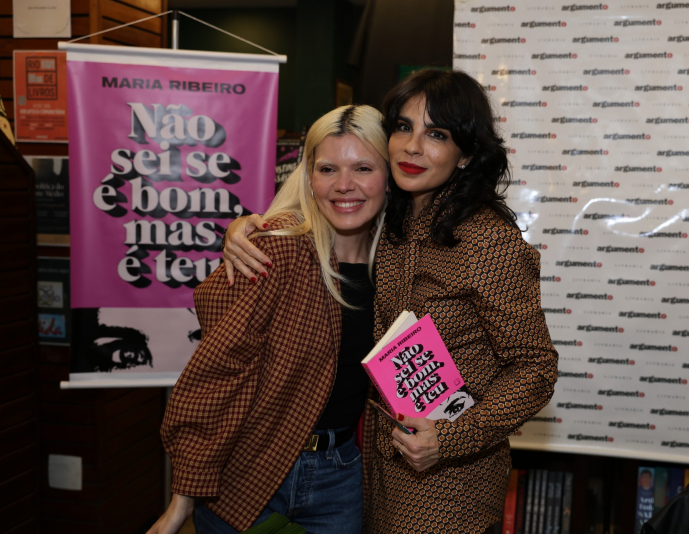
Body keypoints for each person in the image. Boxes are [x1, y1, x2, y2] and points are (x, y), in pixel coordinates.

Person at [222, 69, 559, 534]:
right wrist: (245, 228)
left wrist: (451, 437)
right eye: (403, 127)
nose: (413, 146)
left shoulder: (488, 243)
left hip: (448, 484)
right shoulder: (391, 225)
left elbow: (535, 370)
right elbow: (327, 204)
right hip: (372, 473)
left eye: (436, 134)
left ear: (465, 155)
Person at [147, 104, 390, 534]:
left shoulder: (396, 263)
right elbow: (220, 371)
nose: (344, 186)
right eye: (328, 169)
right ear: (308, 176)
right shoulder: (280, 250)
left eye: (363, 167)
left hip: (342, 474)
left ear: (388, 176)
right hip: (249, 470)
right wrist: (180, 502)